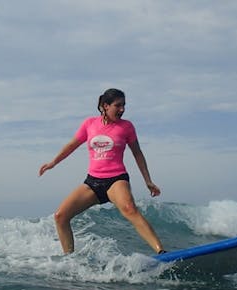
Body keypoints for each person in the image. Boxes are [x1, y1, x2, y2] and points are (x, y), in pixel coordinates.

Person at [39, 88, 166, 255]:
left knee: (129, 209)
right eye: (118, 105)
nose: (122, 110)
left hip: (116, 179)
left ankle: (161, 252)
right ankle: (69, 259)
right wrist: (53, 162)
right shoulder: (89, 124)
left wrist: (148, 181)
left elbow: (137, 153)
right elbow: (72, 145)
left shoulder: (126, 127)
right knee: (60, 216)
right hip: (92, 182)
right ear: (105, 106)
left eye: (124, 106)